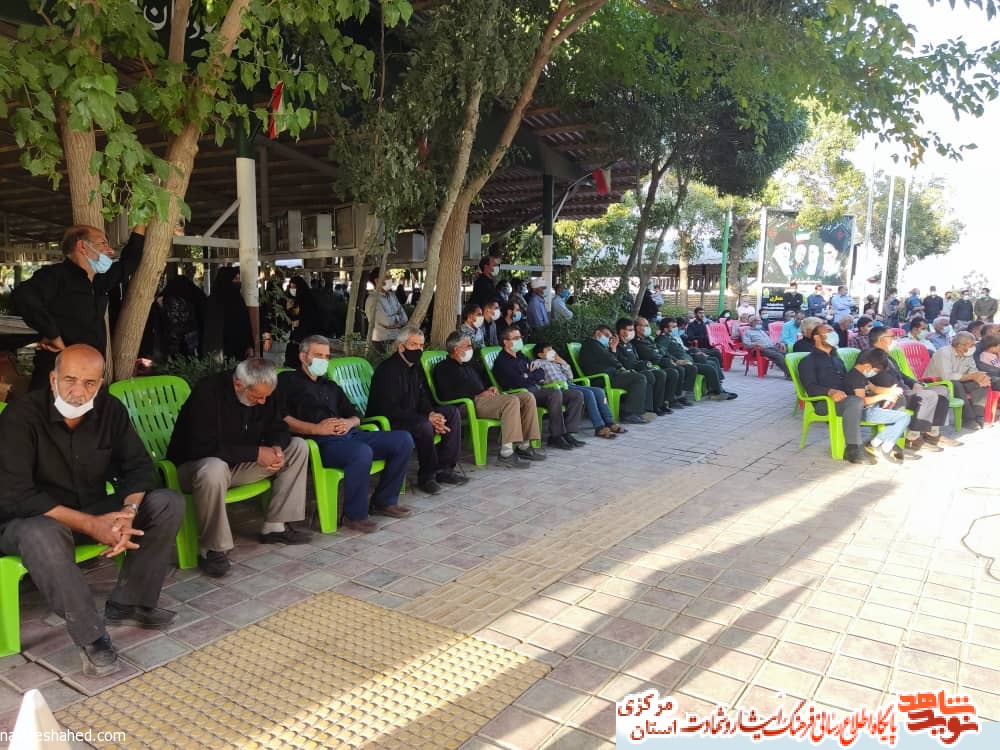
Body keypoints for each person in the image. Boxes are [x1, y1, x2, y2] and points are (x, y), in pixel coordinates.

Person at [0, 345, 183, 676]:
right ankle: (92, 637)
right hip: (30, 522)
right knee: (42, 533)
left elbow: (139, 467)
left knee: (166, 502)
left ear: (100, 383)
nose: (78, 391)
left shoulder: (110, 410)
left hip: (93, 510)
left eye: (89, 383)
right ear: (53, 379)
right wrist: (91, 524)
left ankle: (130, 603)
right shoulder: (20, 417)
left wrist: (127, 512)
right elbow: (17, 495)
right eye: (69, 380)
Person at [167, 358, 312, 577]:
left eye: (266, 396)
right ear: (238, 385)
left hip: (240, 465)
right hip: (196, 469)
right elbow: (201, 446)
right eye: (257, 397)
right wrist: (255, 453)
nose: (263, 401)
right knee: (214, 469)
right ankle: (212, 549)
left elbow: (278, 425)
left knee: (298, 447)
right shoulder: (207, 393)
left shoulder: (265, 391)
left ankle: (275, 526)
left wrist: (276, 446)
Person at [280, 336, 413, 533]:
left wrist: (348, 422)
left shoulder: (330, 385)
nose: (323, 360)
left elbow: (356, 415)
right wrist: (316, 429)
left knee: (403, 440)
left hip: (349, 434)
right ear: (303, 356)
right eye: (318, 355)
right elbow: (282, 418)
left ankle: (384, 501)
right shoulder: (288, 381)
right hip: (320, 442)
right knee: (361, 452)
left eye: (326, 356)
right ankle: (354, 516)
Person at [14, 224, 145, 389]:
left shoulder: (99, 281)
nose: (110, 251)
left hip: (90, 373)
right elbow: (23, 296)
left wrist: (142, 221)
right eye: (103, 244)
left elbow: (129, 261)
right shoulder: (56, 275)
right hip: (58, 373)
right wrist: (54, 336)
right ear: (83, 246)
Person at [368, 326, 465, 495]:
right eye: (413, 345)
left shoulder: (415, 367)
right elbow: (390, 410)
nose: (418, 349)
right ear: (401, 347)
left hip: (414, 415)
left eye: (421, 345)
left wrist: (432, 414)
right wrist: (427, 419)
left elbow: (423, 396)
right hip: (390, 420)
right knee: (424, 425)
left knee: (452, 413)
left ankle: (445, 469)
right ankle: (427, 476)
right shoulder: (387, 371)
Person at [434, 331, 542, 468]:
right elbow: (446, 395)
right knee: (511, 401)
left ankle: (524, 446)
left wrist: (491, 388)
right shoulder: (443, 368)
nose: (471, 349)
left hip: (486, 401)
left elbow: (485, 380)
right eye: (468, 346)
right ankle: (506, 454)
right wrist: (477, 396)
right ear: (456, 349)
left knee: (527, 397)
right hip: (467, 405)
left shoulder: (471, 364)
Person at [869, 327, 961, 451]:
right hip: (893, 393)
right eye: (892, 337)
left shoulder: (887, 356)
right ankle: (912, 438)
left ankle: (932, 434)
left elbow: (901, 375)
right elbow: (882, 379)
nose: (895, 340)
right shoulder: (872, 356)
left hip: (904, 389)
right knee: (929, 396)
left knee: (942, 391)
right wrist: (907, 388)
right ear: (883, 340)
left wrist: (914, 383)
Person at [492, 328, 585, 449]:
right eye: (516, 338)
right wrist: (530, 374)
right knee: (554, 393)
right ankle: (556, 436)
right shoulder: (502, 361)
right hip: (521, 394)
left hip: (536, 390)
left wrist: (528, 375)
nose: (520, 340)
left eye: (520, 337)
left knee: (576, 395)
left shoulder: (520, 355)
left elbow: (540, 372)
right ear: (505, 342)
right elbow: (518, 382)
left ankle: (568, 432)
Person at [797, 323, 874, 464]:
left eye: (833, 331)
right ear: (816, 337)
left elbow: (847, 382)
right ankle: (853, 449)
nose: (833, 334)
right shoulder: (808, 361)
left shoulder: (837, 360)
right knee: (856, 401)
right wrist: (830, 391)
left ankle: (881, 442)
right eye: (828, 331)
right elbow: (810, 388)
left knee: (877, 398)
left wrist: (865, 387)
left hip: (846, 399)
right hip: (824, 402)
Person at [531, 342, 625, 438]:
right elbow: (534, 365)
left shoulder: (556, 362)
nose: (552, 351)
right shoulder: (540, 362)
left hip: (570, 384)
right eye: (548, 350)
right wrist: (534, 363)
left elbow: (570, 377)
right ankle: (599, 427)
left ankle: (610, 422)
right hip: (559, 388)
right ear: (541, 355)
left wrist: (563, 363)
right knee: (588, 393)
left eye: (552, 348)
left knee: (599, 391)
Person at [844, 348, 918, 464]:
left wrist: (891, 391)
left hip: (872, 409)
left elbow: (875, 388)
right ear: (868, 366)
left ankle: (876, 443)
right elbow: (862, 401)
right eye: (876, 371)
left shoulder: (861, 375)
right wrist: (884, 397)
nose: (875, 373)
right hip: (865, 413)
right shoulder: (855, 378)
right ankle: (884, 447)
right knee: (904, 417)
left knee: (900, 413)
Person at [578, 325, 650, 424]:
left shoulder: (599, 346)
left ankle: (631, 410)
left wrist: (613, 348)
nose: (608, 339)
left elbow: (610, 359)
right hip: (601, 379)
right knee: (639, 378)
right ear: (598, 333)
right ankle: (629, 413)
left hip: (610, 375)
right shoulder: (591, 344)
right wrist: (622, 368)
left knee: (640, 376)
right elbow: (610, 359)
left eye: (609, 337)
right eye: (607, 336)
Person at [655, 318, 735, 400]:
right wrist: (676, 360)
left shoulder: (670, 337)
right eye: (674, 327)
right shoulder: (662, 339)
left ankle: (717, 389)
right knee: (709, 368)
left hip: (689, 359)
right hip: (684, 363)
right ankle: (717, 393)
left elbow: (682, 351)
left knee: (712, 363)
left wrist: (694, 352)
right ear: (666, 329)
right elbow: (663, 352)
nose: (676, 328)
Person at [924, 331, 990, 430]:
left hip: (959, 381)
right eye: (971, 345)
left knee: (980, 383)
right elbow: (947, 376)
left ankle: (979, 417)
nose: (973, 347)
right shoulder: (944, 353)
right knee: (956, 384)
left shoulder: (968, 353)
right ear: (959, 345)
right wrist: (972, 376)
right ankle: (968, 420)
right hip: (937, 383)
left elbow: (973, 371)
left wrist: (979, 377)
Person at [615, 317, 675, 414]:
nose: (632, 332)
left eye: (632, 330)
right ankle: (646, 409)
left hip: (637, 369)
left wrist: (646, 364)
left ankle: (658, 405)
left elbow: (636, 359)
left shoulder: (630, 344)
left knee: (660, 374)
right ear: (622, 331)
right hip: (627, 373)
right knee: (649, 375)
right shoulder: (616, 345)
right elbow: (621, 363)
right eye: (630, 330)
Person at [632, 316, 689, 408]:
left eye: (648, 325)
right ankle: (661, 404)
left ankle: (670, 399)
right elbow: (650, 354)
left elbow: (660, 350)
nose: (648, 328)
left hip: (659, 360)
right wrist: (663, 357)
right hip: (651, 363)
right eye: (645, 326)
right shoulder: (635, 341)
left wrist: (675, 360)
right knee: (670, 372)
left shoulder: (648, 339)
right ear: (637, 328)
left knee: (678, 370)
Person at [203, 266, 254, 361]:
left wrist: (249, 345)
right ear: (226, 280)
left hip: (239, 349)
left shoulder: (238, 300)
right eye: (235, 279)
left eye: (238, 279)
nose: (238, 282)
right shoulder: (214, 301)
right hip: (219, 350)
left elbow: (246, 325)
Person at [161, 269, 207, 358]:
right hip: (192, 333)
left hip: (173, 336)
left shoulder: (169, 295)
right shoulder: (195, 293)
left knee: (175, 358)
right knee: (192, 357)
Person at [284, 275, 326, 367]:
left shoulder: (308, 299)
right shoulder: (292, 300)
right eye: (291, 287)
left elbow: (312, 317)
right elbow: (290, 318)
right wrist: (288, 310)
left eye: (294, 287)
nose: (292, 289)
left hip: (307, 334)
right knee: (293, 356)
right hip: (296, 334)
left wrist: (300, 321)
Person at [365, 271, 409, 351]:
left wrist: (394, 319)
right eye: (387, 277)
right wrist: (398, 319)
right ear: (377, 281)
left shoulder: (392, 296)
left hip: (395, 338)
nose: (390, 279)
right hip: (380, 341)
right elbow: (386, 322)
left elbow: (405, 317)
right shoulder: (373, 299)